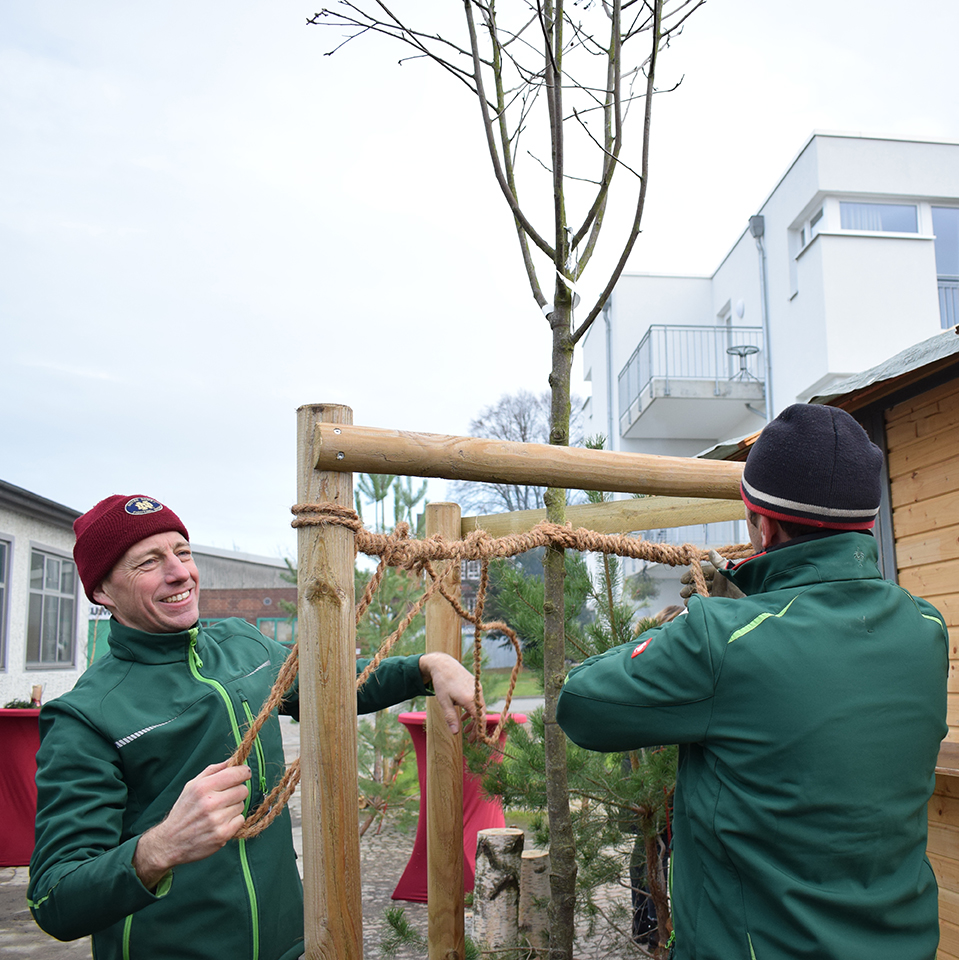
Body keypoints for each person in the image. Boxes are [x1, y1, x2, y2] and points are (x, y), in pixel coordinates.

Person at [557, 403, 949, 960]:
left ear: (761, 523)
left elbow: (581, 702)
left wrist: (707, 621)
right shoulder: (927, 628)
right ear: (868, 521)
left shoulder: (720, 638)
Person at [28, 494, 483, 960]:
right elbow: (54, 899)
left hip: (289, 946)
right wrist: (158, 848)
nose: (179, 572)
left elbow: (332, 685)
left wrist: (426, 667)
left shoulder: (242, 646)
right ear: (103, 591)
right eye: (148, 562)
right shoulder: (86, 716)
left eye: (182, 552)